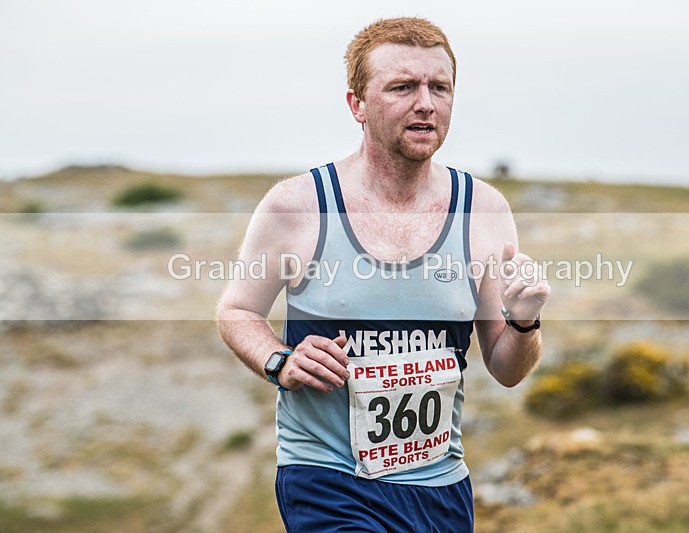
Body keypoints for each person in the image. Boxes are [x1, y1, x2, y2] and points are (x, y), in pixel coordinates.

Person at [216, 17, 550, 532]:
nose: (426, 103)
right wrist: (279, 360)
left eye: (439, 87)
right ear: (357, 104)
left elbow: (506, 369)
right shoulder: (298, 205)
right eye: (403, 87)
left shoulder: (484, 210)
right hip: (329, 480)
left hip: (440, 486)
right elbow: (237, 311)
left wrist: (524, 322)